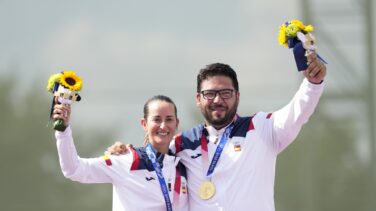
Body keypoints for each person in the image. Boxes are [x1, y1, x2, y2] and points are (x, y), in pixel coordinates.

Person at [108, 53, 327, 211]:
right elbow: (153, 154)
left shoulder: (262, 128)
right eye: (210, 93)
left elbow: (298, 111)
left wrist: (313, 84)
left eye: (225, 93)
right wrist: (124, 151)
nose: (218, 100)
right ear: (198, 99)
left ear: (237, 96)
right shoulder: (182, 143)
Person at [53, 95, 189, 211]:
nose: (163, 125)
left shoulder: (185, 163)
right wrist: (63, 131)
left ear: (176, 123)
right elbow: (74, 169)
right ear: (144, 124)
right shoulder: (127, 160)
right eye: (157, 119)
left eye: (169, 119)